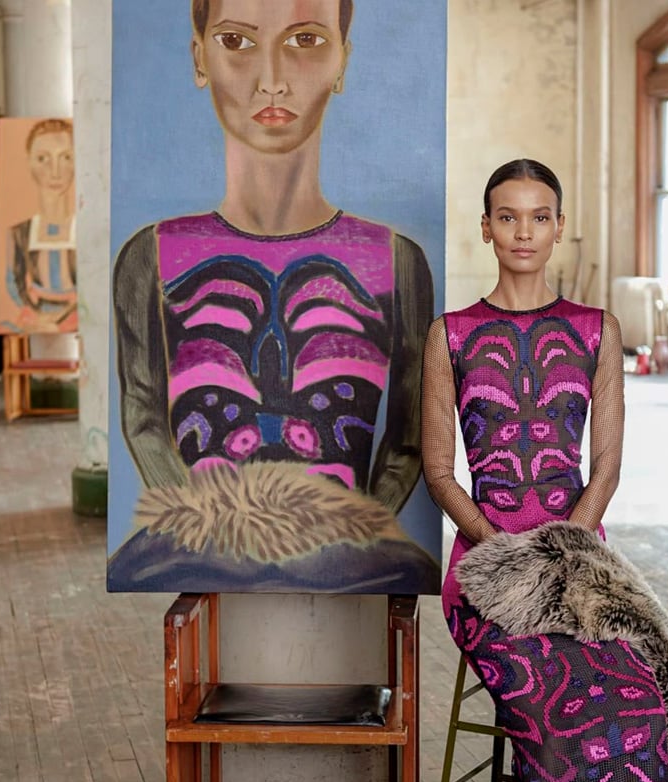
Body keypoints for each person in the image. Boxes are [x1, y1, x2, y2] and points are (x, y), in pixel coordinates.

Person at [422, 159, 668, 782]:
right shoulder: (452, 334)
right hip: (487, 572)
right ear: (488, 228)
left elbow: (604, 465)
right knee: (564, 732)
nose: (524, 231)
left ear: (559, 226)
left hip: (581, 571)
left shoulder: (595, 328)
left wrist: (564, 549)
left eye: (540, 217)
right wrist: (503, 553)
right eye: (508, 217)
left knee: (639, 714)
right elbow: (438, 471)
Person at [108, 0, 439, 594]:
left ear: (342, 62)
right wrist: (199, 528)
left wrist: (359, 528)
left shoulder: (397, 262)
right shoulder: (149, 257)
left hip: (357, 559)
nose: (271, 79)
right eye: (235, 42)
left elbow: (409, 436)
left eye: (306, 41)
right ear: (199, 57)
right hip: (188, 551)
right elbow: (143, 416)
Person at [3, 118, 78, 335]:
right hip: (33, 320)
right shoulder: (18, 233)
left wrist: (64, 317)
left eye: (66, 157)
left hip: (80, 318)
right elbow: (13, 281)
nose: (55, 171)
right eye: (43, 158)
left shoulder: (87, 230)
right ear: (29, 162)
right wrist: (37, 317)